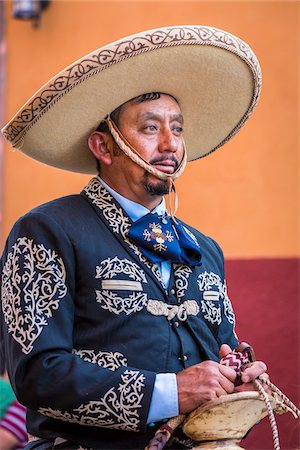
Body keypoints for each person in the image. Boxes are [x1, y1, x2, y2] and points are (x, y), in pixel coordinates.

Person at [0, 26, 267, 449]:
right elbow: (37, 373)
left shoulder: (206, 249)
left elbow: (220, 363)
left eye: (177, 129)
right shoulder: (46, 230)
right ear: (104, 147)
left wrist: (238, 383)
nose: (170, 145)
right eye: (149, 128)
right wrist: (169, 392)